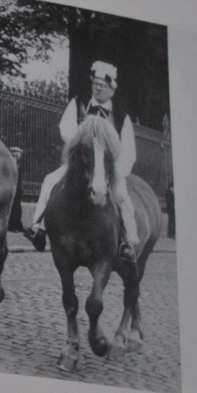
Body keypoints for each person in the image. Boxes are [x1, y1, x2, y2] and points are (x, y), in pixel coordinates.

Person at [26, 60, 140, 264]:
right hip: (81, 163)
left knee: (122, 197)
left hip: (107, 169)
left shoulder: (121, 116)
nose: (98, 88)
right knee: (50, 181)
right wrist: (81, 146)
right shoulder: (79, 104)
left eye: (103, 86)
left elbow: (128, 150)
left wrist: (117, 172)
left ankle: (127, 243)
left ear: (112, 90)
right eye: (96, 84)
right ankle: (39, 228)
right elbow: (65, 129)